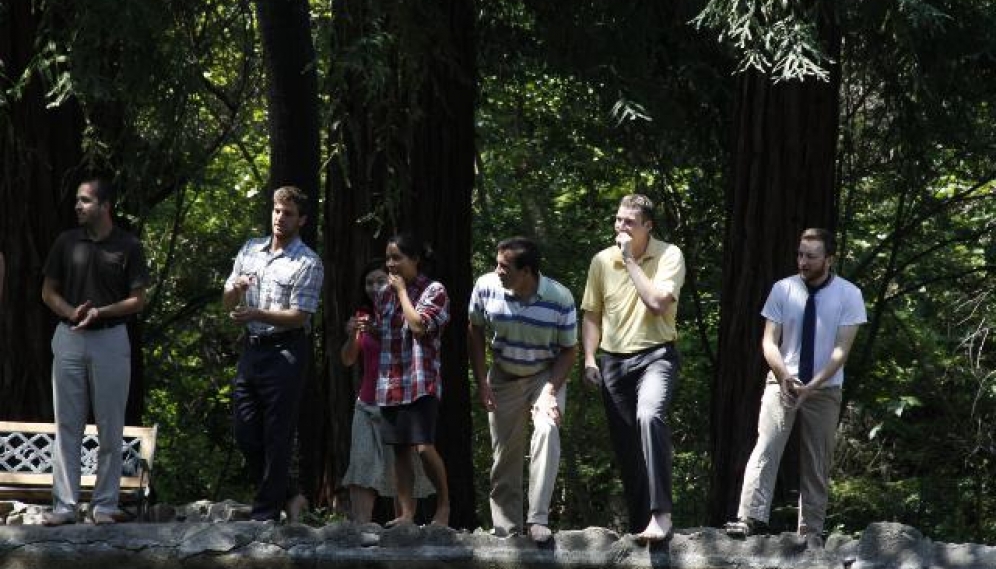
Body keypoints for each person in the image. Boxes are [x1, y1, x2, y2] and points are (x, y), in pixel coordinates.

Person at [725, 228, 866, 546]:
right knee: (766, 447)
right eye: (800, 254)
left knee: (817, 459)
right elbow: (769, 341)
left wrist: (815, 384)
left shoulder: (849, 294)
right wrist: (785, 375)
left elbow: (842, 350)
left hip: (825, 388)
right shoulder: (782, 289)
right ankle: (749, 519)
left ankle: (811, 532)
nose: (803, 261)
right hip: (782, 381)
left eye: (811, 256)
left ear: (828, 259)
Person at [40, 178, 150, 526]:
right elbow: (48, 292)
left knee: (110, 426)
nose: (77, 206)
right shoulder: (65, 242)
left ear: (105, 206)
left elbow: (138, 299)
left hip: (111, 339)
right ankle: (64, 507)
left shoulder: (128, 246)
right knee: (67, 426)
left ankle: (104, 505)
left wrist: (100, 312)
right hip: (69, 336)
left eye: (85, 201)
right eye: (77, 200)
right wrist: (71, 312)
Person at [580, 194, 685, 542]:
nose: (620, 227)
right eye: (618, 219)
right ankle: (644, 527)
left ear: (647, 227)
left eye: (629, 222)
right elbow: (592, 314)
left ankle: (662, 515)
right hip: (612, 363)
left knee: (649, 416)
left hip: (656, 356)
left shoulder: (669, 255)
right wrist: (590, 359)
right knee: (627, 450)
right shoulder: (600, 261)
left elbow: (656, 303)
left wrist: (629, 260)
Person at [222, 186, 324, 522]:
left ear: (302, 219)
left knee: (277, 433)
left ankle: (265, 515)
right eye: (277, 211)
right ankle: (292, 495)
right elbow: (227, 301)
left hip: (286, 351)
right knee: (245, 431)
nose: (280, 218)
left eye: (289, 213)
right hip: (253, 350)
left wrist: (257, 315)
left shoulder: (308, 261)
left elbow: (300, 315)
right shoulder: (251, 249)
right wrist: (233, 292)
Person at [469, 237, 577, 542]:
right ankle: (507, 531)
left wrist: (550, 392)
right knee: (505, 454)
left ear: (526, 271)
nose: (497, 270)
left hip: (545, 374)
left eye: (504, 266)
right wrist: (482, 382)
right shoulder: (486, 286)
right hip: (503, 375)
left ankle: (537, 519)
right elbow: (474, 329)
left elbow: (569, 351)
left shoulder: (559, 297)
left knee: (546, 429)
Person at [340, 258, 434, 523]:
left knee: (401, 468)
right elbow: (347, 360)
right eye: (368, 283)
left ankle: (403, 528)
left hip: (398, 403)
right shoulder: (362, 316)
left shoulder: (406, 311)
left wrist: (380, 331)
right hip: (366, 403)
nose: (373, 287)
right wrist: (351, 335)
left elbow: (412, 347)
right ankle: (361, 529)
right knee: (360, 466)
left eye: (380, 281)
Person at [374, 233, 451, 527]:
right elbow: (386, 335)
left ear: (415, 260)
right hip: (391, 379)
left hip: (421, 379)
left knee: (422, 445)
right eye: (388, 258)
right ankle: (406, 514)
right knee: (400, 449)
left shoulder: (434, 290)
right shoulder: (382, 295)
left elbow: (419, 326)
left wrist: (403, 292)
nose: (390, 264)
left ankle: (443, 507)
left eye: (397, 258)